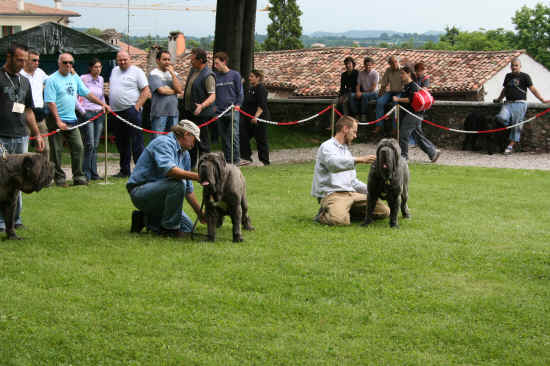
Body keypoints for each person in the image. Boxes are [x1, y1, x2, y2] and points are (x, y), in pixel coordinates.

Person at [127, 119, 204, 238]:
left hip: (160, 195)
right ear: (186, 134)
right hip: (140, 192)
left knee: (189, 228)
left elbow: (188, 190)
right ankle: (169, 230)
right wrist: (198, 176)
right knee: (177, 184)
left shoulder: (185, 154)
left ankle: (144, 219)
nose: (194, 144)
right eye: (194, 139)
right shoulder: (164, 143)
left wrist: (200, 214)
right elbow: (170, 171)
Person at [44, 53, 111, 187]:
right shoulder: (51, 79)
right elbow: (50, 102)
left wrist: (102, 104)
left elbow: (87, 94)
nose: (68, 65)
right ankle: (59, 178)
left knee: (78, 147)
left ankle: (78, 176)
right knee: (56, 150)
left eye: (71, 63)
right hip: (56, 119)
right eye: (65, 62)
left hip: (72, 118)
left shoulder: (74, 78)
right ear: (59, 64)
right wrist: (58, 120)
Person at [311, 115, 389, 226]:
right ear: (345, 129)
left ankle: (343, 211)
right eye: (354, 132)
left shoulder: (346, 151)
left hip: (351, 194)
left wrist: (372, 190)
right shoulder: (327, 147)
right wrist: (359, 159)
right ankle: (324, 214)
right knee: (340, 221)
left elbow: (353, 182)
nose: (355, 136)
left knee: (384, 211)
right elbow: (333, 164)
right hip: (332, 194)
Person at [0, 44, 45, 233]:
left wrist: (36, 133)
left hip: (21, 136)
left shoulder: (24, 82)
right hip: (1, 136)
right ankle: (1, 223)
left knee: (19, 180)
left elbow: (28, 110)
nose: (23, 63)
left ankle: (15, 220)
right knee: (2, 180)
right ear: (8, 56)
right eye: (19, 59)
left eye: (25, 60)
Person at [493, 57, 550, 155]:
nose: (514, 67)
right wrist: (499, 99)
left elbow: (533, 89)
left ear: (520, 66)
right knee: (500, 118)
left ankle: (510, 146)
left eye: (516, 65)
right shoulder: (508, 76)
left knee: (517, 126)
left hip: (520, 104)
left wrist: (542, 100)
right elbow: (505, 90)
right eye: (512, 66)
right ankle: (510, 127)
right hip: (508, 103)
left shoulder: (525, 77)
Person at [109, 51, 151, 178]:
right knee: (121, 142)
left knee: (137, 142)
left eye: (124, 60)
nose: (122, 62)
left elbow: (146, 90)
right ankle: (124, 170)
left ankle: (140, 171)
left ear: (130, 59)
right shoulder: (114, 71)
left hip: (131, 111)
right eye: (120, 60)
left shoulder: (137, 72)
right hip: (116, 112)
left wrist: (137, 106)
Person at [392, 66, 440, 163]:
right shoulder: (407, 85)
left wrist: (398, 99)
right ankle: (433, 153)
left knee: (403, 134)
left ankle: (404, 156)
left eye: (402, 74)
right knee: (418, 136)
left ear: (408, 74)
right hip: (413, 114)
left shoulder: (413, 86)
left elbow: (410, 99)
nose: (401, 76)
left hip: (413, 114)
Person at [182, 47, 216, 169]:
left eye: (192, 58)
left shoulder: (208, 75)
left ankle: (205, 169)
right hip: (190, 113)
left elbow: (212, 96)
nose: (190, 60)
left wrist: (202, 106)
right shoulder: (193, 70)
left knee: (203, 143)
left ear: (201, 60)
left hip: (202, 115)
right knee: (190, 142)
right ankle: (190, 167)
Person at [78, 58, 106, 181]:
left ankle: (94, 173)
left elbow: (101, 96)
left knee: (95, 144)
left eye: (100, 67)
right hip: (87, 113)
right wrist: (82, 111)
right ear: (90, 68)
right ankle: (86, 172)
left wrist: (104, 106)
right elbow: (77, 96)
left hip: (99, 113)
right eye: (95, 67)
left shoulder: (101, 79)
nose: (98, 69)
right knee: (89, 144)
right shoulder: (83, 78)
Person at [213, 51, 244, 165]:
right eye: (214, 64)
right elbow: (213, 93)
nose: (215, 66)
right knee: (224, 137)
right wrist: (214, 106)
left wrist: (238, 105)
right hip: (220, 112)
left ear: (224, 62)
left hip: (232, 110)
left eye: (217, 63)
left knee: (233, 135)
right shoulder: (215, 77)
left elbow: (240, 92)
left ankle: (235, 160)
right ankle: (226, 160)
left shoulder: (235, 75)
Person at [20, 49, 49, 158]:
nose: (37, 63)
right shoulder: (19, 74)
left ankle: (45, 174)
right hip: (23, 115)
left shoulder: (40, 72)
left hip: (39, 115)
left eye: (38, 60)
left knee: (45, 149)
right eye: (34, 60)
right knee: (23, 150)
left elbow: (52, 81)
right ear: (26, 60)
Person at [148, 49, 182, 137]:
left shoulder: (174, 74)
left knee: (172, 140)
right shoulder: (153, 74)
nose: (167, 62)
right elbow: (161, 91)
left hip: (173, 113)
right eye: (164, 59)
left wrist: (173, 75)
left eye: (168, 59)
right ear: (157, 60)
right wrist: (174, 91)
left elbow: (179, 89)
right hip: (159, 113)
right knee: (158, 140)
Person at [240, 69, 270, 166]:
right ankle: (246, 157)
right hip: (248, 118)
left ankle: (265, 161)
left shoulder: (261, 89)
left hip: (259, 119)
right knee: (243, 136)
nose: (249, 78)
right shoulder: (251, 89)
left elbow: (262, 105)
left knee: (261, 139)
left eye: (252, 76)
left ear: (258, 78)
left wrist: (256, 117)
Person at [376, 56, 403, 135]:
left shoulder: (403, 70)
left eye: (395, 62)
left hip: (401, 92)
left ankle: (395, 128)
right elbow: (384, 84)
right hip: (391, 91)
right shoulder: (388, 70)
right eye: (391, 63)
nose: (394, 64)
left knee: (395, 104)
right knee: (379, 102)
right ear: (389, 64)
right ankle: (379, 125)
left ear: (398, 62)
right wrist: (380, 94)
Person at [350, 57, 379, 122]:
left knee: (364, 96)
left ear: (372, 65)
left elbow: (373, 87)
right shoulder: (361, 73)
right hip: (363, 92)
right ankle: (356, 114)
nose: (368, 66)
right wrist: (357, 92)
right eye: (366, 65)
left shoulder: (375, 73)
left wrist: (362, 93)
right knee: (351, 96)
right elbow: (358, 84)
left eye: (369, 65)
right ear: (364, 65)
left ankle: (363, 115)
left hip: (373, 93)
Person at [409, 62, 431, 148]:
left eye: (420, 71)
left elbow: (424, 90)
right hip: (414, 104)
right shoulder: (414, 78)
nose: (418, 73)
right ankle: (413, 141)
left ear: (423, 70)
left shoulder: (425, 79)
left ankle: (421, 143)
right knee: (412, 124)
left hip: (421, 105)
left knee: (418, 125)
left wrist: (414, 88)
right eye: (417, 71)